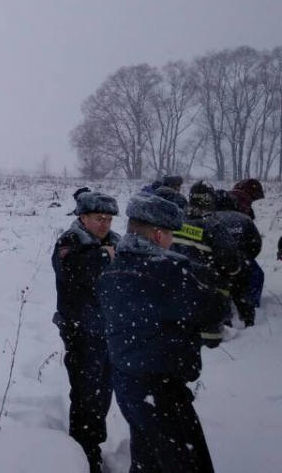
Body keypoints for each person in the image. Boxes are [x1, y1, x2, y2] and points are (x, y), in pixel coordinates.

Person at [98, 192, 225, 473]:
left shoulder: (113, 269)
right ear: (157, 235)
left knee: (148, 459)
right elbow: (215, 309)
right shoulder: (168, 271)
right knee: (188, 464)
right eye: (169, 235)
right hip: (161, 390)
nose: (171, 241)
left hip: (127, 383)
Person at [52, 189, 120, 472]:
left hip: (109, 331)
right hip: (80, 331)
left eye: (108, 219)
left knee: (104, 392)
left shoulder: (116, 242)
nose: (104, 224)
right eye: (97, 218)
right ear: (82, 217)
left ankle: (94, 443)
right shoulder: (70, 241)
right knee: (85, 392)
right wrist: (105, 256)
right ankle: (82, 450)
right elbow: (72, 269)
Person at [170, 181, 240, 346]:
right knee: (214, 346)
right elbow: (232, 265)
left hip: (177, 295)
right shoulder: (215, 227)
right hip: (209, 296)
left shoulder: (175, 222)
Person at [214, 189, 263, 326]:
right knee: (241, 292)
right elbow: (256, 243)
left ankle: (225, 322)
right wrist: (247, 257)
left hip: (217, 265)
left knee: (221, 295)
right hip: (242, 263)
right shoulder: (245, 219)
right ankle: (249, 320)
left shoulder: (210, 219)